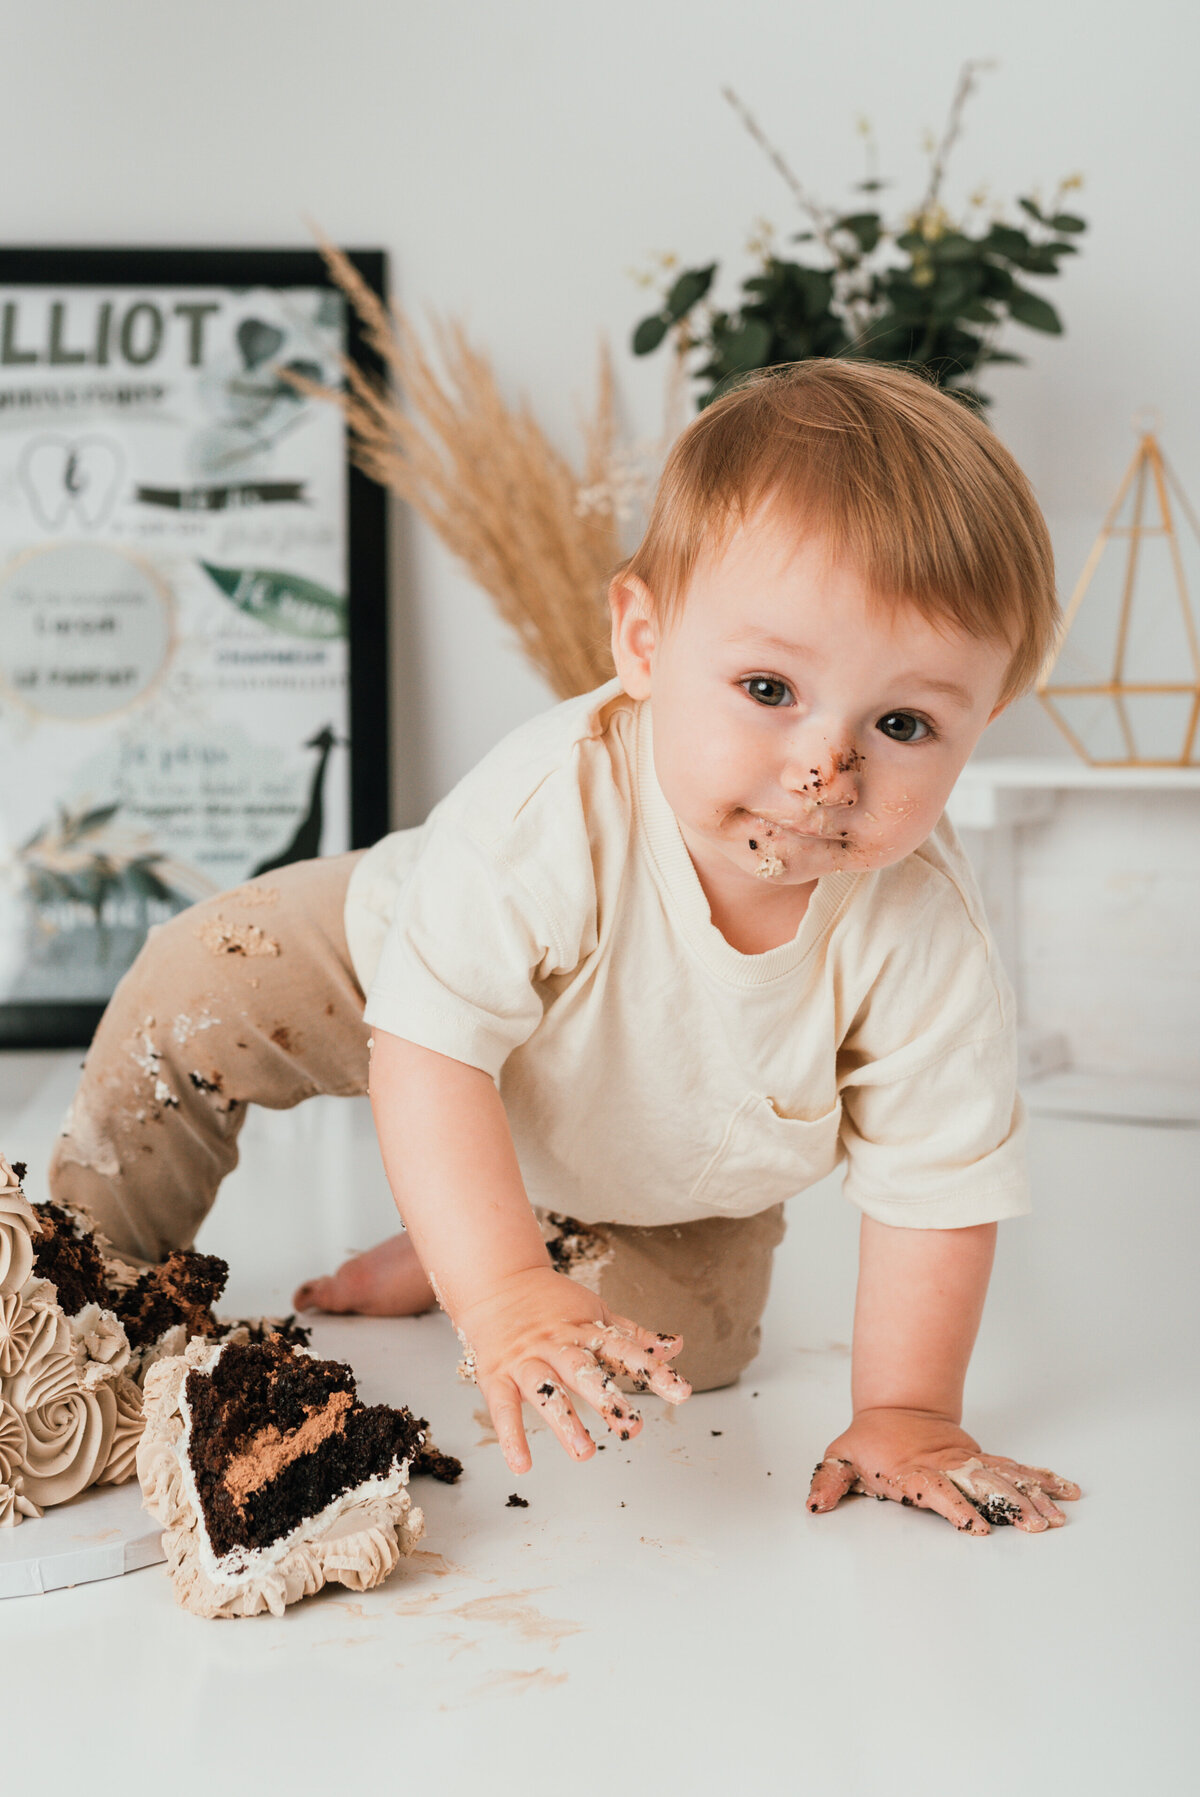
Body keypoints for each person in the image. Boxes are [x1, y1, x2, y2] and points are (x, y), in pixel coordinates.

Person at [50, 359, 1081, 1534]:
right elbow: (430, 1053)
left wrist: (908, 1409)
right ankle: (91, 1277)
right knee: (200, 987)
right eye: (767, 686)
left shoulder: (924, 940)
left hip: (667, 1165)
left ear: (979, 728)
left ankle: (482, 1228)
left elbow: (935, 1190)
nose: (826, 769)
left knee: (695, 1351)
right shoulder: (554, 809)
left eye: (905, 725)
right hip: (396, 977)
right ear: (642, 642)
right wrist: (499, 1298)